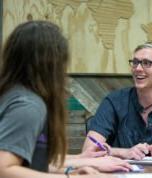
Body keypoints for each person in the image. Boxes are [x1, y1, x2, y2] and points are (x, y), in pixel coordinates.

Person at [0, 20, 131, 178]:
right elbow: (4, 169)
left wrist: (75, 166)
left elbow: (34, 162)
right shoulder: (27, 106)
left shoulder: (14, 95)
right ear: (52, 63)